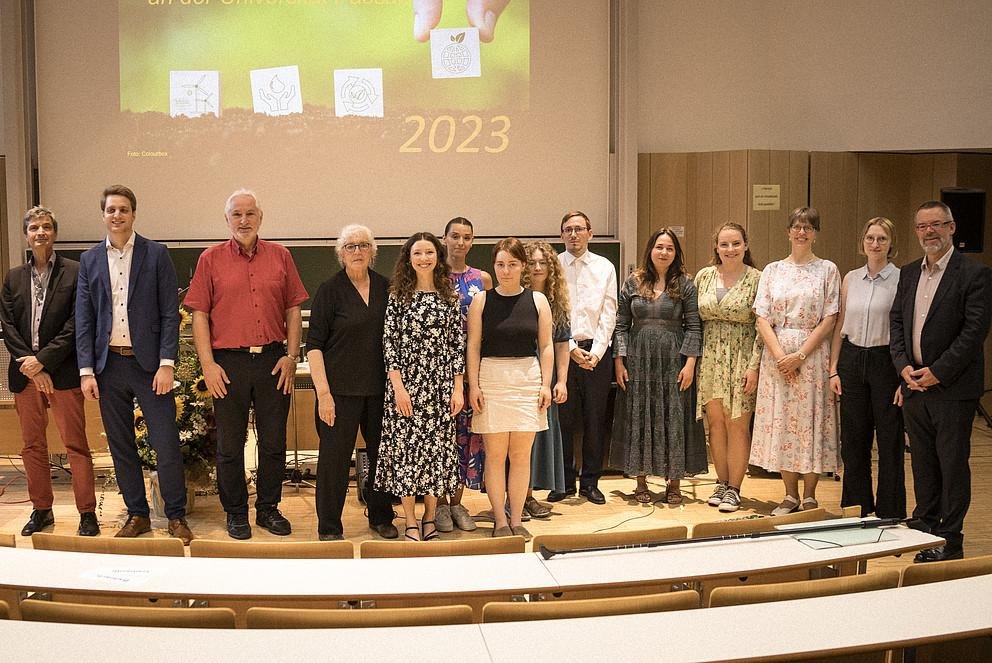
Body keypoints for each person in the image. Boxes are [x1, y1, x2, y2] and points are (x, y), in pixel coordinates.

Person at [185, 189, 307, 540]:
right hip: (228, 364)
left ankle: (268, 508)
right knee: (229, 444)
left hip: (273, 361)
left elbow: (293, 309)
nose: (244, 220)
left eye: (249, 213)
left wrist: (291, 356)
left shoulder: (281, 256)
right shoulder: (210, 259)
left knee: (273, 442)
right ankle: (236, 512)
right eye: (236, 214)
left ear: (260, 217)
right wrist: (208, 364)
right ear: (227, 220)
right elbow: (199, 315)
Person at [75, 185, 193, 545]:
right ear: (104, 214)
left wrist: (166, 363)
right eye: (111, 209)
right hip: (109, 367)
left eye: (123, 209)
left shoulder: (155, 254)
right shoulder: (90, 260)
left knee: (166, 443)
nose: (117, 215)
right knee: (121, 445)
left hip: (150, 367)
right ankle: (138, 514)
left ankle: (175, 515)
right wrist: (86, 371)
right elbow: (85, 318)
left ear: (133, 214)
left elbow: (169, 314)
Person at [890, 201, 992, 562]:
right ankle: (924, 526)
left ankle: (950, 537)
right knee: (922, 463)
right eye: (922, 226)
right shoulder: (907, 273)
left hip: (951, 388)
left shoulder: (973, 274)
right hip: (914, 385)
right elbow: (897, 324)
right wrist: (903, 366)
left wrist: (938, 372)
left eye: (937, 224)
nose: (929, 231)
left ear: (952, 228)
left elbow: (973, 332)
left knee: (951, 464)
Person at [1, 206, 98, 537]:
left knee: (76, 444)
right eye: (34, 228)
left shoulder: (75, 271)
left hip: (63, 372)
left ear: (54, 233)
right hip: (26, 375)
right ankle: (42, 509)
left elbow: (77, 323)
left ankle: (87, 513)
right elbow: (8, 325)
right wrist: (31, 366)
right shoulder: (13, 277)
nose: (40, 232)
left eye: (45, 227)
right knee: (32, 445)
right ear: (26, 235)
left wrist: (43, 361)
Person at [306, 225, 397, 541]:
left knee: (381, 456)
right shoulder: (329, 291)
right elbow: (314, 345)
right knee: (333, 462)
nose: (357, 251)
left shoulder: (388, 287)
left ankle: (382, 517)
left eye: (363, 245)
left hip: (380, 392)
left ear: (372, 251)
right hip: (338, 393)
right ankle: (329, 526)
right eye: (350, 246)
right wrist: (324, 393)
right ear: (340, 253)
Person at [750, 207, 840, 516]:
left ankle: (811, 494)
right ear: (788, 231)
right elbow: (761, 317)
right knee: (784, 422)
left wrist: (800, 355)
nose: (802, 232)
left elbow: (830, 317)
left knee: (810, 423)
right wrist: (780, 357)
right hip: (777, 358)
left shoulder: (828, 269)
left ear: (816, 233)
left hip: (812, 357)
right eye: (797, 227)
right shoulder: (773, 270)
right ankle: (789, 495)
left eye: (808, 227)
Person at [376, 232, 464, 541]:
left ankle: (429, 518)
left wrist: (457, 388)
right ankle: (410, 520)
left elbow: (456, 345)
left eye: (429, 252)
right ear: (408, 259)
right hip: (406, 389)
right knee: (407, 455)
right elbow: (389, 345)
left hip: (439, 389)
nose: (424, 258)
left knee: (434, 455)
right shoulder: (399, 295)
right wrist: (398, 387)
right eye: (418, 253)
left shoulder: (449, 296)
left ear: (438, 257)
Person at [609, 228, 705, 505]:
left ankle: (673, 483)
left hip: (674, 360)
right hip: (638, 359)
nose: (664, 252)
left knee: (673, 418)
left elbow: (694, 327)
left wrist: (690, 364)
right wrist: (619, 361)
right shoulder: (633, 282)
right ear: (650, 250)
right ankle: (640, 482)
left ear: (675, 253)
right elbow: (621, 325)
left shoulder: (685, 284)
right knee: (640, 416)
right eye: (659, 247)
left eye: (669, 248)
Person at [468, 238, 553, 539]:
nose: (506, 270)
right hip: (492, 380)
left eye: (512, 264)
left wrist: (545, 384)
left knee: (520, 456)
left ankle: (516, 520)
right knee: (494, 455)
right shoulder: (482, 300)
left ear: (523, 267)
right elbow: (474, 345)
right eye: (500, 264)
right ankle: (500, 523)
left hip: (527, 381)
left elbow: (545, 346)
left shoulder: (538, 301)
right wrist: (473, 384)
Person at [829, 217, 905, 519]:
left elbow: (903, 328)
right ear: (863, 242)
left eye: (882, 239)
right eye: (870, 238)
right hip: (851, 359)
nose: (875, 244)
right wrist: (834, 368)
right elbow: (839, 325)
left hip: (885, 361)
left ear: (891, 244)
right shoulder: (850, 278)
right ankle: (859, 506)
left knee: (889, 439)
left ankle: (890, 511)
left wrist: (903, 375)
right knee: (854, 439)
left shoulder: (902, 279)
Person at [550, 211, 617, 505]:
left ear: (590, 233)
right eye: (568, 229)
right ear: (562, 235)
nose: (574, 234)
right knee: (562, 419)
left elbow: (609, 311)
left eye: (579, 229)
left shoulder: (605, 267)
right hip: (562, 349)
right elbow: (550, 309)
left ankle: (590, 482)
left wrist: (598, 352)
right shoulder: (552, 265)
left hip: (596, 352)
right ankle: (563, 482)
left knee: (594, 419)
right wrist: (571, 345)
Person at [694, 223, 762, 512]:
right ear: (716, 247)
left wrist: (754, 366)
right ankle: (720, 482)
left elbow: (763, 326)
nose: (730, 249)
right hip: (710, 357)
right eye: (724, 244)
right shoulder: (704, 276)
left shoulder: (758, 279)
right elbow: (694, 321)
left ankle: (735, 487)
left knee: (738, 425)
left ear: (746, 245)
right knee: (716, 424)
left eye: (736, 243)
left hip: (742, 356)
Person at [434, 217, 492, 533]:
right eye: (454, 236)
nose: (460, 242)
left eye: (466, 237)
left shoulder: (481, 279)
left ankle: (457, 503)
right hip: (437, 371)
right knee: (440, 437)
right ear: (444, 238)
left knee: (466, 437)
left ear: (472, 241)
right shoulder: (430, 274)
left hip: (472, 370)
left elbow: (487, 328)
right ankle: (439, 506)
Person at [522, 240, 570, 516]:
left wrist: (560, 381)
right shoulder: (516, 295)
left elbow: (562, 342)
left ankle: (528, 496)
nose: (538, 268)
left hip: (546, 377)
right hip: (518, 374)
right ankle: (514, 497)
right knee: (517, 439)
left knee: (539, 438)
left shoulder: (557, 300)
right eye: (532, 263)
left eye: (543, 262)